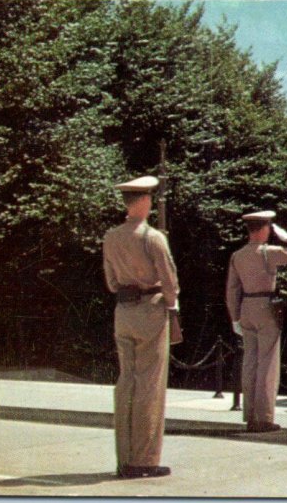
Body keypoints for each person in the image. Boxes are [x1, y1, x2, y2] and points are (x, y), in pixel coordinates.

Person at [102, 175, 179, 479]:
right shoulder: (153, 237)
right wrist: (172, 304)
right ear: (145, 201)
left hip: (123, 310)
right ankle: (144, 460)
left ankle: (125, 457)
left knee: (127, 384)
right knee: (149, 385)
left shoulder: (111, 237)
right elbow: (169, 281)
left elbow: (110, 281)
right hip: (150, 309)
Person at [225, 211, 287, 432]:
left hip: (246, 308)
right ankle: (264, 417)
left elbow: (232, 290)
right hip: (266, 307)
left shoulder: (238, 255)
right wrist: (286, 237)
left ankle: (251, 415)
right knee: (268, 363)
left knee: (250, 363)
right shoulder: (268, 252)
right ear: (264, 229)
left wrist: (235, 317)